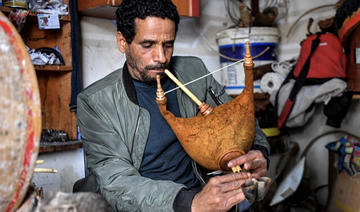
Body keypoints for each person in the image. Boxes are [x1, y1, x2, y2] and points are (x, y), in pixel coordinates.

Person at [76, 0, 270, 211]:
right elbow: (117, 182)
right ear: (123, 42)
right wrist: (190, 203)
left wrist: (259, 152)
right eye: (148, 45)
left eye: (168, 44)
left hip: (202, 196)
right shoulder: (96, 102)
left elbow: (240, 118)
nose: (161, 57)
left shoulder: (193, 71)